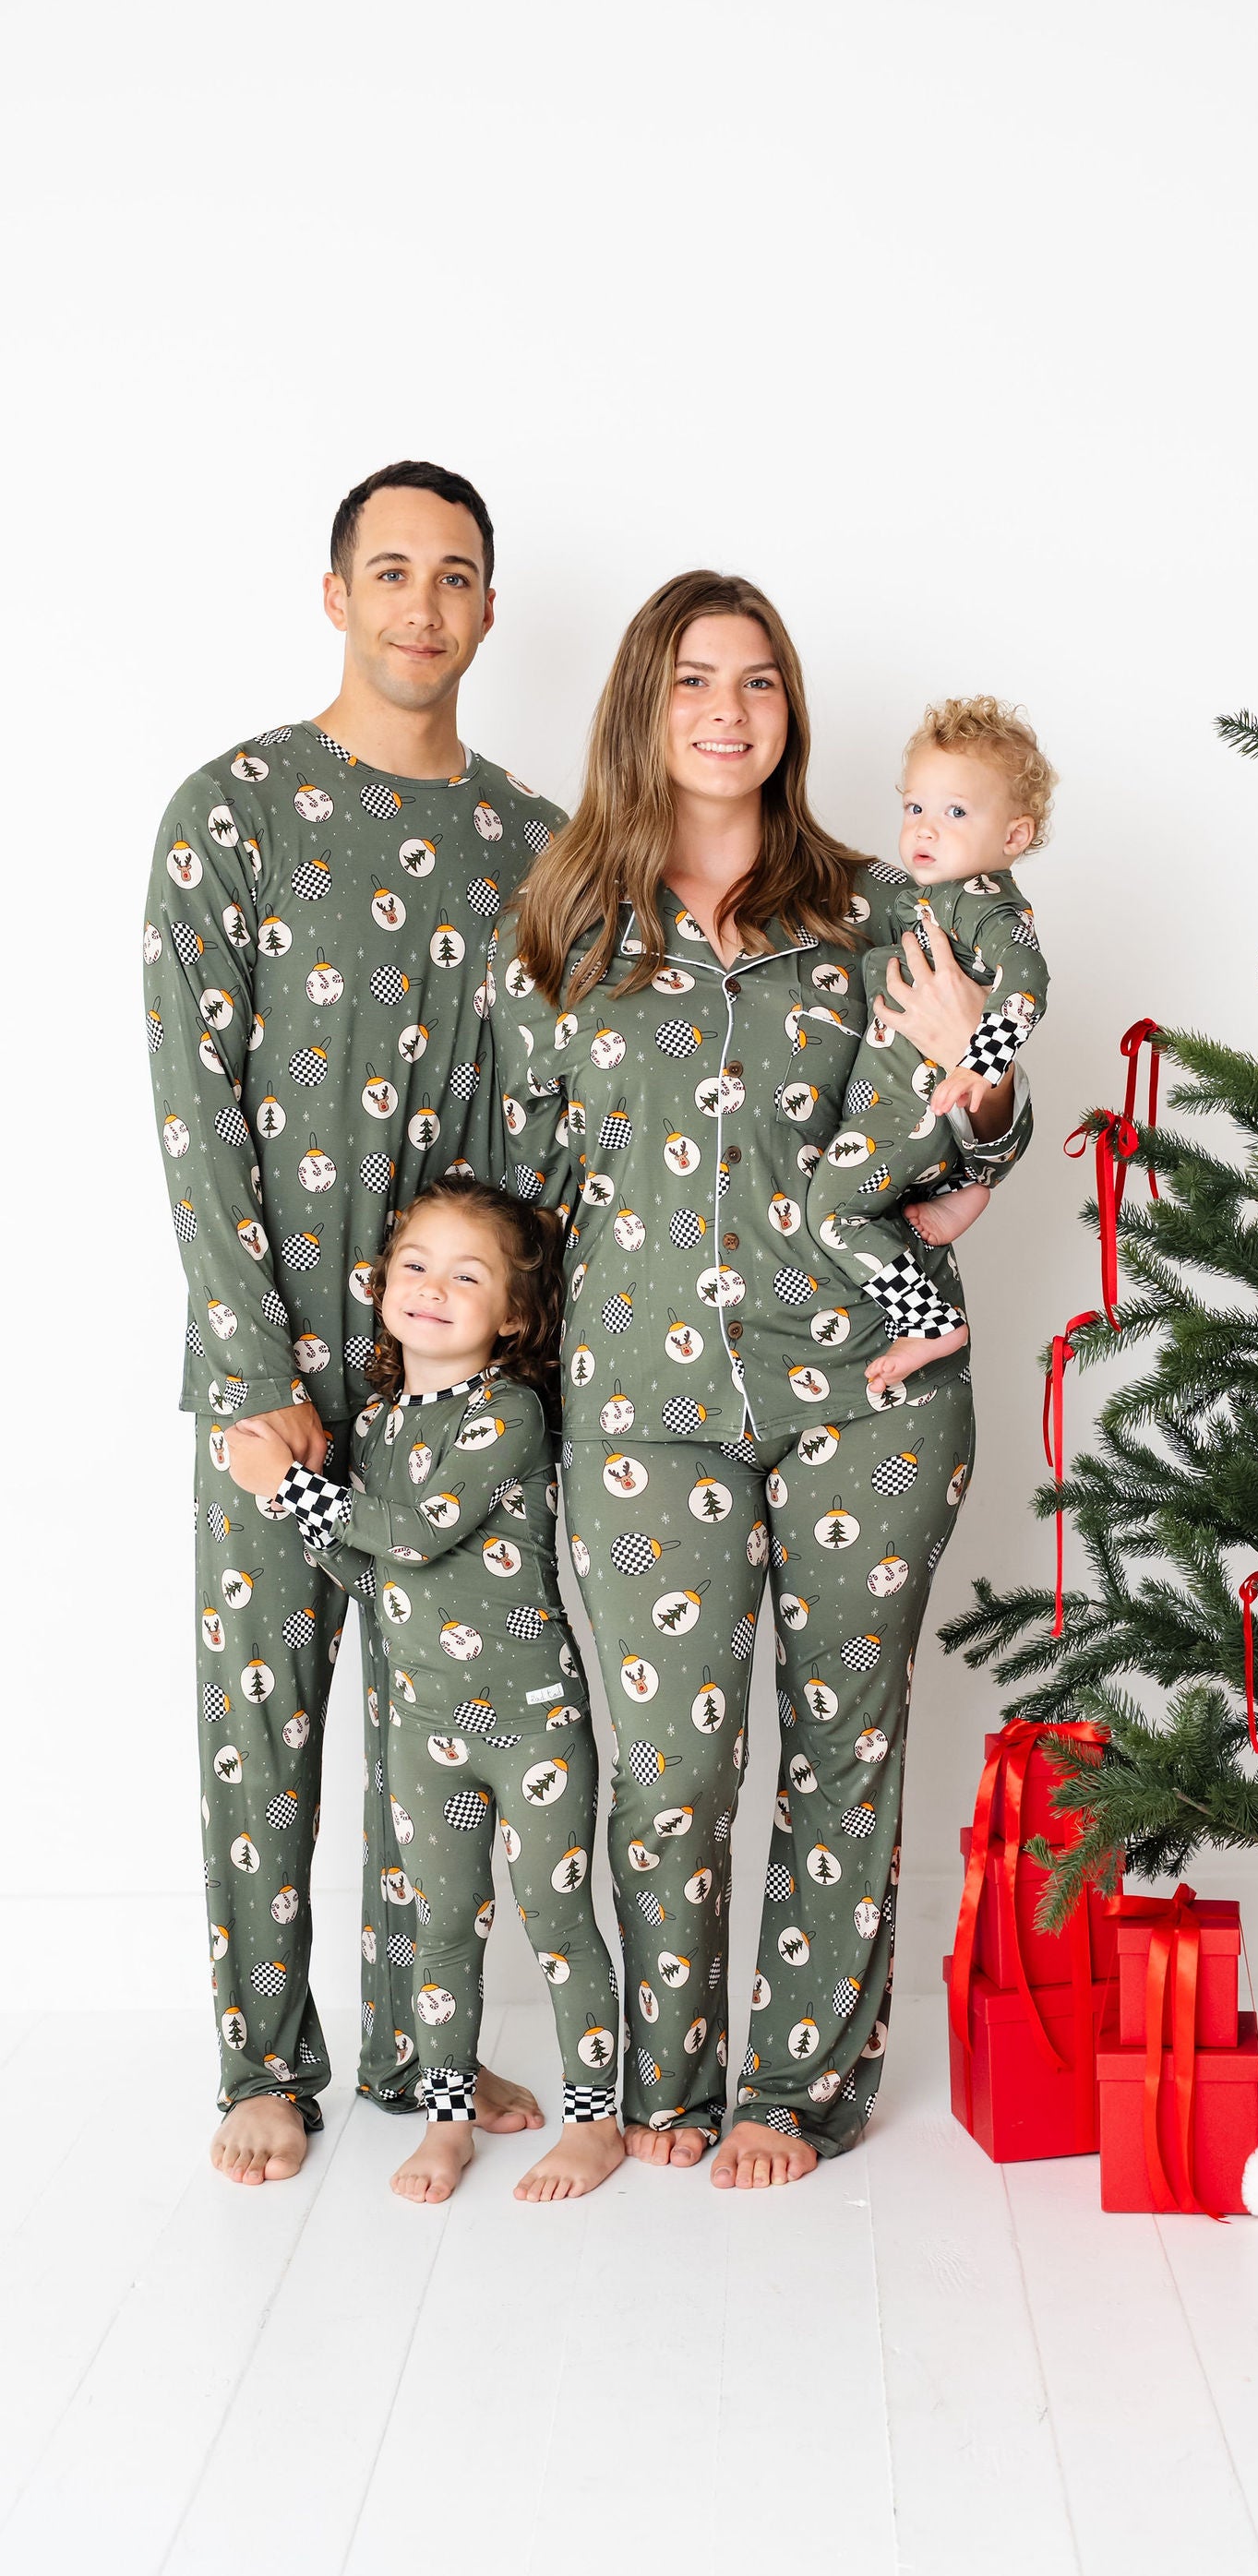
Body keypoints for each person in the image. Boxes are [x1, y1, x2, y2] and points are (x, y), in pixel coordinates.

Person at [494, 569, 1032, 2187]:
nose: (727, 710)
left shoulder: (889, 904)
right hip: (639, 1403)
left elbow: (981, 1122)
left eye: (759, 681)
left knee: (842, 1746)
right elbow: (528, 1180)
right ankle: (666, 2075)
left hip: (867, 1387)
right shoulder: (565, 924)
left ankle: (792, 2092)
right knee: (668, 1765)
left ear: (787, 712)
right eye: (692, 681)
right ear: (641, 708)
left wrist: (979, 1085)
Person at [144, 459, 552, 2185]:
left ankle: (419, 2054)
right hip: (278, 1360)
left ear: (485, 607)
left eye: (453, 574)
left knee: (432, 1720)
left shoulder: (531, 844)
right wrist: (251, 1364)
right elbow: (192, 1095)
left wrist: (516, 1372)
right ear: (335, 593)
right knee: (263, 1709)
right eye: (388, 570)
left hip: (454, 1375)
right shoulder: (230, 808)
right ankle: (262, 2055)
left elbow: (541, 1118)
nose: (420, 603)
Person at [226, 1182, 623, 2205]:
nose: (432, 1287)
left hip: (533, 1727)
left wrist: (287, 1484)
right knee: (441, 1931)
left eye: (466, 1273)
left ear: (515, 1315)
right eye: (415, 1264)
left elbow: (415, 1531)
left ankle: (595, 2123)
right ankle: (446, 2120)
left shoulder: (512, 1412)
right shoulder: (381, 1425)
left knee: (557, 1920)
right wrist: (314, 1508)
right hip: (426, 1731)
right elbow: (376, 1576)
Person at [800, 695, 1055, 1390]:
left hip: (911, 1105)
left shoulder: (985, 904)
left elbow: (1028, 978)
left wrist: (981, 1056)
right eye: (916, 808)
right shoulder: (923, 897)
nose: (926, 828)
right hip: (913, 1110)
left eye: (956, 812)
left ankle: (928, 1321)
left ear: (1014, 836)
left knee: (832, 1212)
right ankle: (965, 1188)